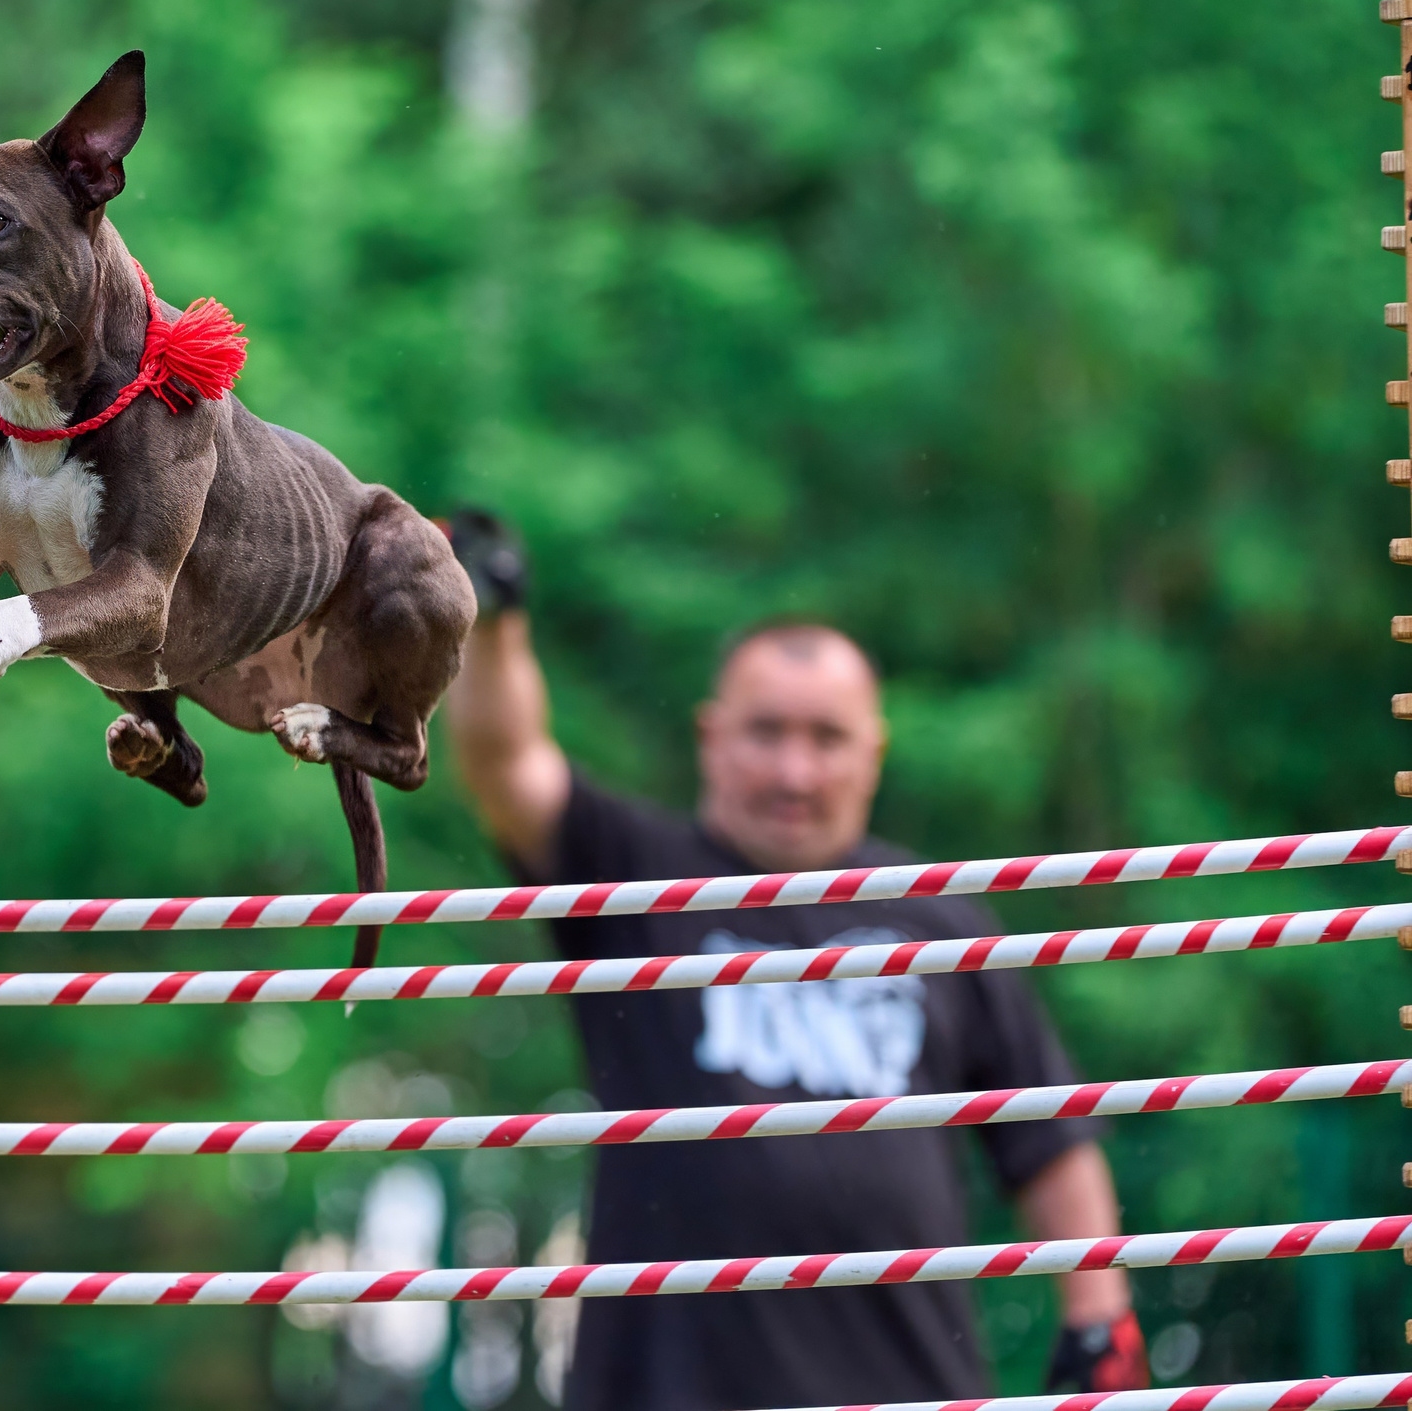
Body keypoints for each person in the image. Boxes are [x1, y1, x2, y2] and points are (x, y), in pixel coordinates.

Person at [439, 512, 1147, 1411]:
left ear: (875, 752)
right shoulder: (630, 875)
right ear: (711, 736)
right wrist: (494, 617)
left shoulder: (945, 913)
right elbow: (506, 761)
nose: (795, 771)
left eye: (827, 738)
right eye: (766, 732)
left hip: (910, 1391)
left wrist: (1101, 1319)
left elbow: (1051, 1137)